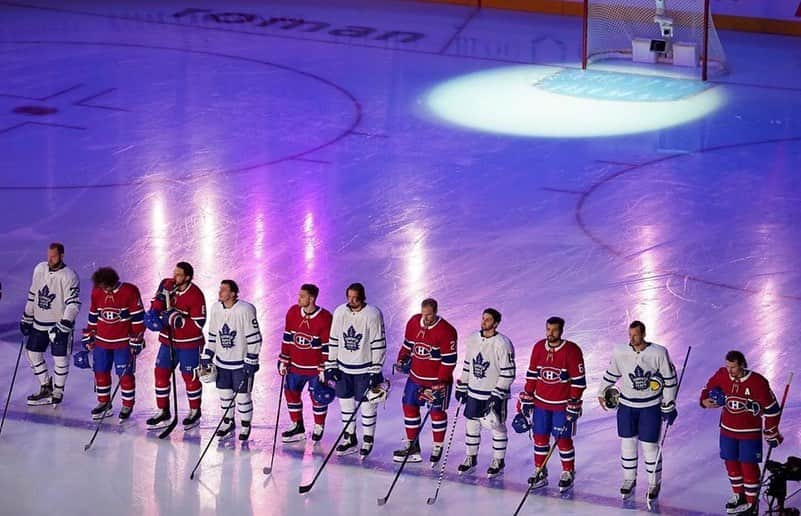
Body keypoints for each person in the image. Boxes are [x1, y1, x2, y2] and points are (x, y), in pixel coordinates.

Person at [597, 320, 678, 504]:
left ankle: (653, 483)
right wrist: (601, 392)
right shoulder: (620, 351)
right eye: (630, 334)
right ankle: (629, 479)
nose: (631, 338)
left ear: (643, 334)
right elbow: (611, 373)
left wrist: (669, 402)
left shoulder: (659, 352)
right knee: (627, 443)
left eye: (635, 335)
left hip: (650, 407)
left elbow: (669, 378)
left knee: (650, 447)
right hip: (626, 406)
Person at [700, 350, 782, 514]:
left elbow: (772, 409)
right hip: (727, 431)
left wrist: (771, 431)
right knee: (731, 463)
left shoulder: (758, 382)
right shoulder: (722, 374)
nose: (730, 371)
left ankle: (752, 503)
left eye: (733, 367)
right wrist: (704, 400)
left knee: (748, 466)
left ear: (743, 365)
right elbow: (708, 388)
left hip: (749, 433)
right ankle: (739, 496)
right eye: (727, 366)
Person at [517, 316, 586, 492]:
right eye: (548, 329)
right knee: (540, 438)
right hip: (541, 403)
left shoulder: (572, 350)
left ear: (561, 331)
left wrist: (574, 401)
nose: (550, 333)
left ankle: (567, 472)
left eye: (554, 330)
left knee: (563, 440)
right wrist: (527, 395)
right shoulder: (539, 347)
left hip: (562, 406)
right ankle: (540, 471)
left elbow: (579, 381)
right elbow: (532, 374)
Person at [392, 298, 458, 465]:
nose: (426, 318)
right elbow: (408, 345)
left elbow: (449, 361)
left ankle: (437, 446)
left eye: (429, 315)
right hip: (415, 378)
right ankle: (412, 446)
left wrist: (441, 383)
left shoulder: (447, 331)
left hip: (436, 381)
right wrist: (401, 359)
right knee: (409, 407)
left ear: (436, 312)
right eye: (424, 314)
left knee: (437, 413)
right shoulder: (414, 322)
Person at [143, 261, 206, 431]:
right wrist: (155, 313)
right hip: (167, 340)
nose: (174, 276)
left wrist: (175, 319)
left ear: (187, 277)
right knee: (161, 373)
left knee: (190, 378)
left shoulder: (196, 295)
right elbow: (158, 301)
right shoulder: (167, 284)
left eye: (178, 274)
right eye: (174, 272)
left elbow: (198, 324)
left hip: (189, 344)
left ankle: (195, 411)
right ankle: (163, 411)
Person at [325, 282, 386, 458]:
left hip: (364, 370)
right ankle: (349, 437)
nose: (352, 300)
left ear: (363, 297)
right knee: (346, 404)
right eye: (349, 297)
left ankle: (368, 439)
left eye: (355, 297)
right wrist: (331, 365)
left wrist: (376, 370)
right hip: (343, 369)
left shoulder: (373, 314)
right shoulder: (339, 312)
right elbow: (334, 339)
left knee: (367, 406)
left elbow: (378, 342)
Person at [455, 308, 515, 478]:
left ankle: (498, 461)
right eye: (483, 318)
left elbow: (508, 373)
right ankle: (470, 457)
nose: (484, 322)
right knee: (472, 425)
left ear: (496, 323)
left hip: (493, 395)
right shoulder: (473, 339)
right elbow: (468, 363)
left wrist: (497, 394)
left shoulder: (503, 343)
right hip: (474, 392)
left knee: (496, 426)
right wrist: (463, 385)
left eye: (488, 320)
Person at [79, 267, 144, 421]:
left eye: (105, 287)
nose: (103, 290)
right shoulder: (96, 292)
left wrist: (137, 338)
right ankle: (103, 403)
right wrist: (89, 334)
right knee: (100, 372)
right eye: (101, 287)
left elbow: (138, 318)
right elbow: (93, 315)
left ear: (112, 282)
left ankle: (127, 404)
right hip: (102, 343)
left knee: (125, 375)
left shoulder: (130, 291)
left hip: (122, 344)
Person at [20, 243, 81, 405]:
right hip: (39, 323)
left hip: (57, 326)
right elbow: (33, 294)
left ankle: (58, 391)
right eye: (48, 255)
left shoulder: (69, 276)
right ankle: (46, 386)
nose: (50, 259)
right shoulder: (40, 269)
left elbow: (73, 304)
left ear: (62, 255)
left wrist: (64, 324)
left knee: (60, 359)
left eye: (53, 256)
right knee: (32, 353)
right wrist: (27, 316)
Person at [201, 280, 262, 440]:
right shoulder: (216, 308)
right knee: (225, 395)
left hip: (241, 364)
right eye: (220, 288)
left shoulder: (245, 310)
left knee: (243, 397)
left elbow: (255, 338)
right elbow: (213, 335)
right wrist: (207, 355)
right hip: (222, 364)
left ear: (233, 293)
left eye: (224, 289)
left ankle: (245, 425)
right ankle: (228, 422)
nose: (220, 292)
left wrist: (252, 360)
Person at [277, 283, 333, 443]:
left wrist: (324, 367)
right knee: (291, 393)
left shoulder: (325, 318)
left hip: (315, 369)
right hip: (295, 366)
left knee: (318, 396)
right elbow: (287, 337)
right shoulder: (293, 312)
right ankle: (297, 425)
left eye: (302, 296)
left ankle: (319, 426)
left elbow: (327, 346)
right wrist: (284, 359)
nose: (298, 298)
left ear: (312, 298)